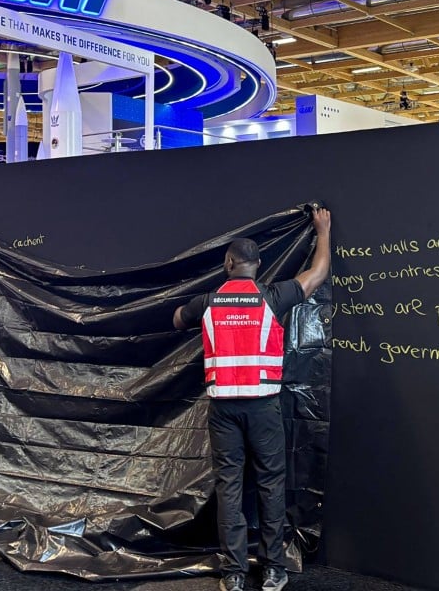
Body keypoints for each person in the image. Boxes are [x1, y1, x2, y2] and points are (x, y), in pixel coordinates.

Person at [173, 208, 331, 591]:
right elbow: (318, 273)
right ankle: (274, 569)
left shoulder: (208, 303)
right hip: (263, 408)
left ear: (228, 264)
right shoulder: (273, 298)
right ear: (258, 266)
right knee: (271, 486)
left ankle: (234, 574)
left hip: (223, 410)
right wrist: (322, 231)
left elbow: (177, 318)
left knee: (229, 489)